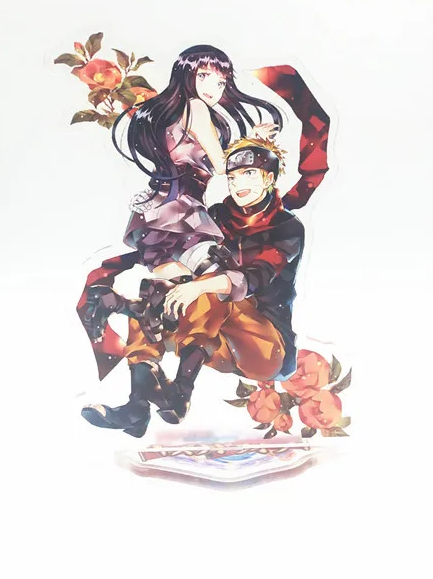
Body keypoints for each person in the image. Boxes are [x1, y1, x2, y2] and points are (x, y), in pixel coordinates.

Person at [81, 136, 305, 437]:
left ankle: (181, 392)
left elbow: (254, 278)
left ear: (269, 178)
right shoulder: (215, 217)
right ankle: (137, 408)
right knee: (156, 290)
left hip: (266, 349)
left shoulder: (287, 227)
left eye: (250, 173)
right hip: (216, 344)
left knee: (208, 288)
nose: (239, 183)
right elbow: (176, 252)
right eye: (233, 176)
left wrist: (198, 287)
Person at [111, 44, 282, 281]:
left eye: (221, 83)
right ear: (185, 75)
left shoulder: (179, 111)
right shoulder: (196, 107)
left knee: (185, 281)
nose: (214, 89)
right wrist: (253, 143)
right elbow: (221, 166)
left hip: (160, 213)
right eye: (203, 76)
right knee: (215, 279)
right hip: (180, 213)